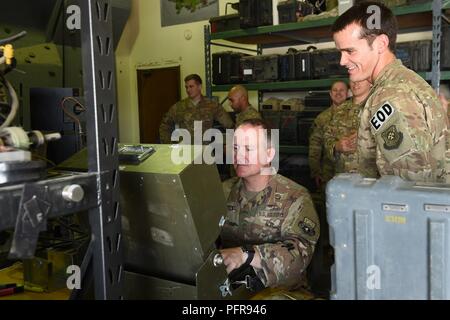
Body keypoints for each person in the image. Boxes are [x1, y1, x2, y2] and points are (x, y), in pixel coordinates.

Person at [332, 1, 448, 182]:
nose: (342, 61)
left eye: (350, 51)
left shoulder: (390, 95)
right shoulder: (404, 81)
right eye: (340, 52)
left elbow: (410, 186)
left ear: (380, 44)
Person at [218, 119, 320, 290]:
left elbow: (300, 253)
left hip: (280, 291)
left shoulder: (295, 197)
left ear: (269, 154)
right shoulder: (223, 191)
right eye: (235, 148)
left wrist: (246, 255)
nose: (239, 155)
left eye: (248, 149)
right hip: (231, 287)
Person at [159, 74, 234, 144]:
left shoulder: (212, 105)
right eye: (186, 87)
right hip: (185, 152)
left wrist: (229, 144)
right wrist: (169, 145)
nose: (188, 90)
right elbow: (165, 125)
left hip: (204, 152)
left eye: (191, 86)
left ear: (199, 87)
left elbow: (229, 125)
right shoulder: (178, 107)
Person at [324, 80, 372, 174]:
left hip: (371, 177)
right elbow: (327, 138)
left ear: (370, 83)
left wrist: (365, 137)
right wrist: (336, 146)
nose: (356, 83)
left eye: (360, 80)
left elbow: (392, 143)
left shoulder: (377, 106)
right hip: (343, 176)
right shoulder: (340, 110)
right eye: (352, 80)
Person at [308, 80, 349, 190]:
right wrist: (316, 171)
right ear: (330, 94)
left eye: (341, 90)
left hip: (351, 172)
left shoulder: (357, 114)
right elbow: (315, 147)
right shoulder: (322, 118)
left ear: (348, 93)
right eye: (335, 90)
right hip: (328, 173)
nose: (338, 93)